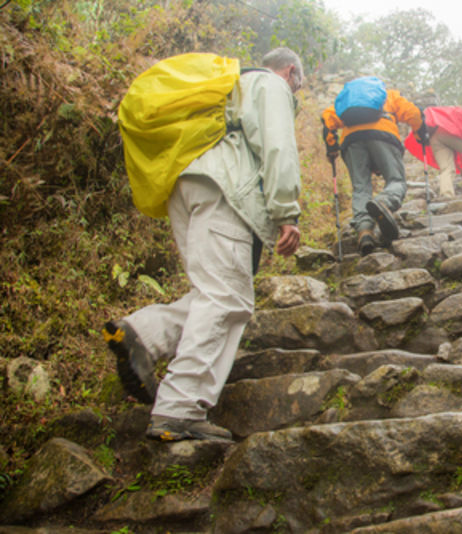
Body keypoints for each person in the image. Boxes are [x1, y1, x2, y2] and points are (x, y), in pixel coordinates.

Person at [102, 47, 304, 442]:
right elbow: (278, 145)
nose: (296, 91)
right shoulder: (268, 83)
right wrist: (286, 212)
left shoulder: (227, 90)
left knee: (212, 292)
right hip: (223, 186)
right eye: (298, 84)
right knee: (226, 299)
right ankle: (179, 409)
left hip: (187, 183)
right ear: (291, 72)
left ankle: (143, 334)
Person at [321, 79, 427, 255]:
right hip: (383, 135)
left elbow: (328, 120)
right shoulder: (388, 95)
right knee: (396, 180)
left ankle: (365, 232)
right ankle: (383, 202)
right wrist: (420, 133)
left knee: (361, 187)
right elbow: (413, 113)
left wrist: (331, 147)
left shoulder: (346, 101)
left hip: (351, 140)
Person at [404, 105, 462, 199]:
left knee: (446, 168)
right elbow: (460, 126)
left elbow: (457, 157)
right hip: (446, 130)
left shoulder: (433, 114)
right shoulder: (453, 111)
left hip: (433, 139)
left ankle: (446, 194)